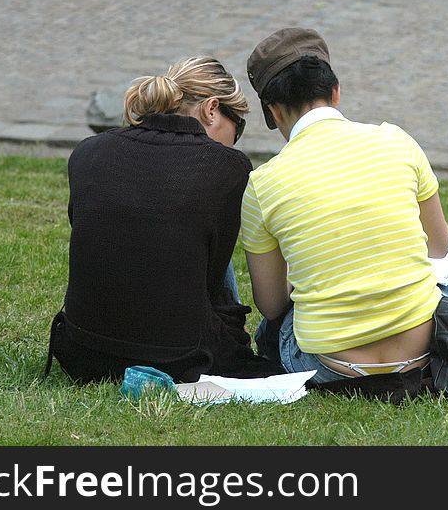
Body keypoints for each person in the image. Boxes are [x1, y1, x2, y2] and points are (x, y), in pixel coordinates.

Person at [240, 28, 448, 384]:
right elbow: (439, 247)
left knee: (279, 326)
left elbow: (271, 306)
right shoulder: (397, 141)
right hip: (425, 354)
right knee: (443, 292)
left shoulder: (262, 184)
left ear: (272, 112)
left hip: (330, 369)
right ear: (335, 91)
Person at [46, 56, 283, 383]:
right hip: (178, 357)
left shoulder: (88, 152)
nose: (234, 140)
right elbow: (210, 284)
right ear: (212, 109)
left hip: (82, 351)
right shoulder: (226, 166)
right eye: (237, 126)